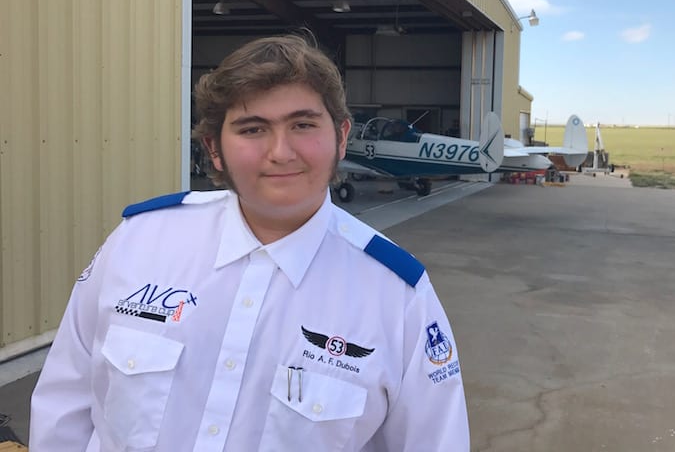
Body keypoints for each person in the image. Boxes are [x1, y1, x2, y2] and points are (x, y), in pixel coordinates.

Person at [30, 34, 470, 451]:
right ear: (214, 149)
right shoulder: (137, 244)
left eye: (302, 124)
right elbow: (63, 409)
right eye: (252, 129)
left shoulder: (398, 297)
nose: (281, 152)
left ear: (340, 137)